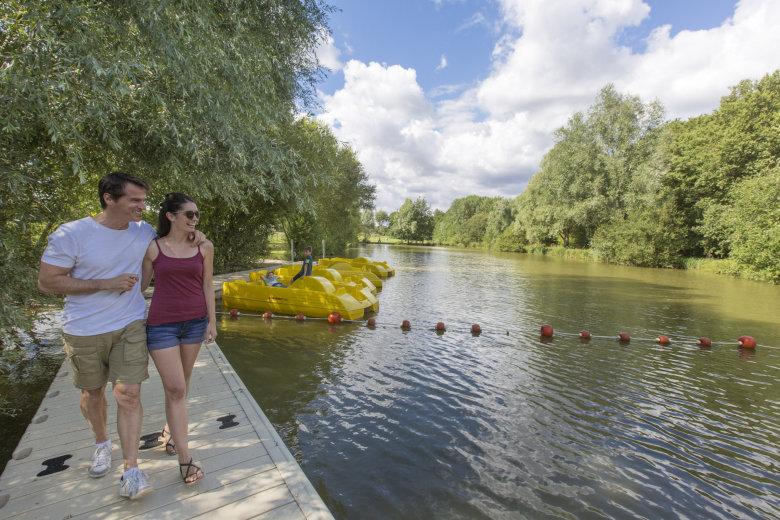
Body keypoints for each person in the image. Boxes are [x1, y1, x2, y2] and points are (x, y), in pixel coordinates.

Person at [37, 172, 201, 500]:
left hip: (130, 323)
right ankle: (101, 443)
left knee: (127, 395)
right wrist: (104, 283)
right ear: (109, 199)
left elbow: (175, 237)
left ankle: (131, 469)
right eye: (135, 200)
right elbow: (47, 282)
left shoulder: (144, 233)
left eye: (144, 200)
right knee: (93, 393)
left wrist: (196, 237)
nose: (143, 207)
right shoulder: (72, 234)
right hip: (83, 329)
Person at [141, 193, 215, 484]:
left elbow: (208, 284)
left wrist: (212, 320)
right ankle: (185, 459)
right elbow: (141, 288)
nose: (195, 220)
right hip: (161, 326)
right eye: (189, 215)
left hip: (195, 323)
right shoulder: (153, 249)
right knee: (174, 388)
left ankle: (171, 433)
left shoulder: (204, 246)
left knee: (180, 388)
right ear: (171, 216)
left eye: (197, 215)